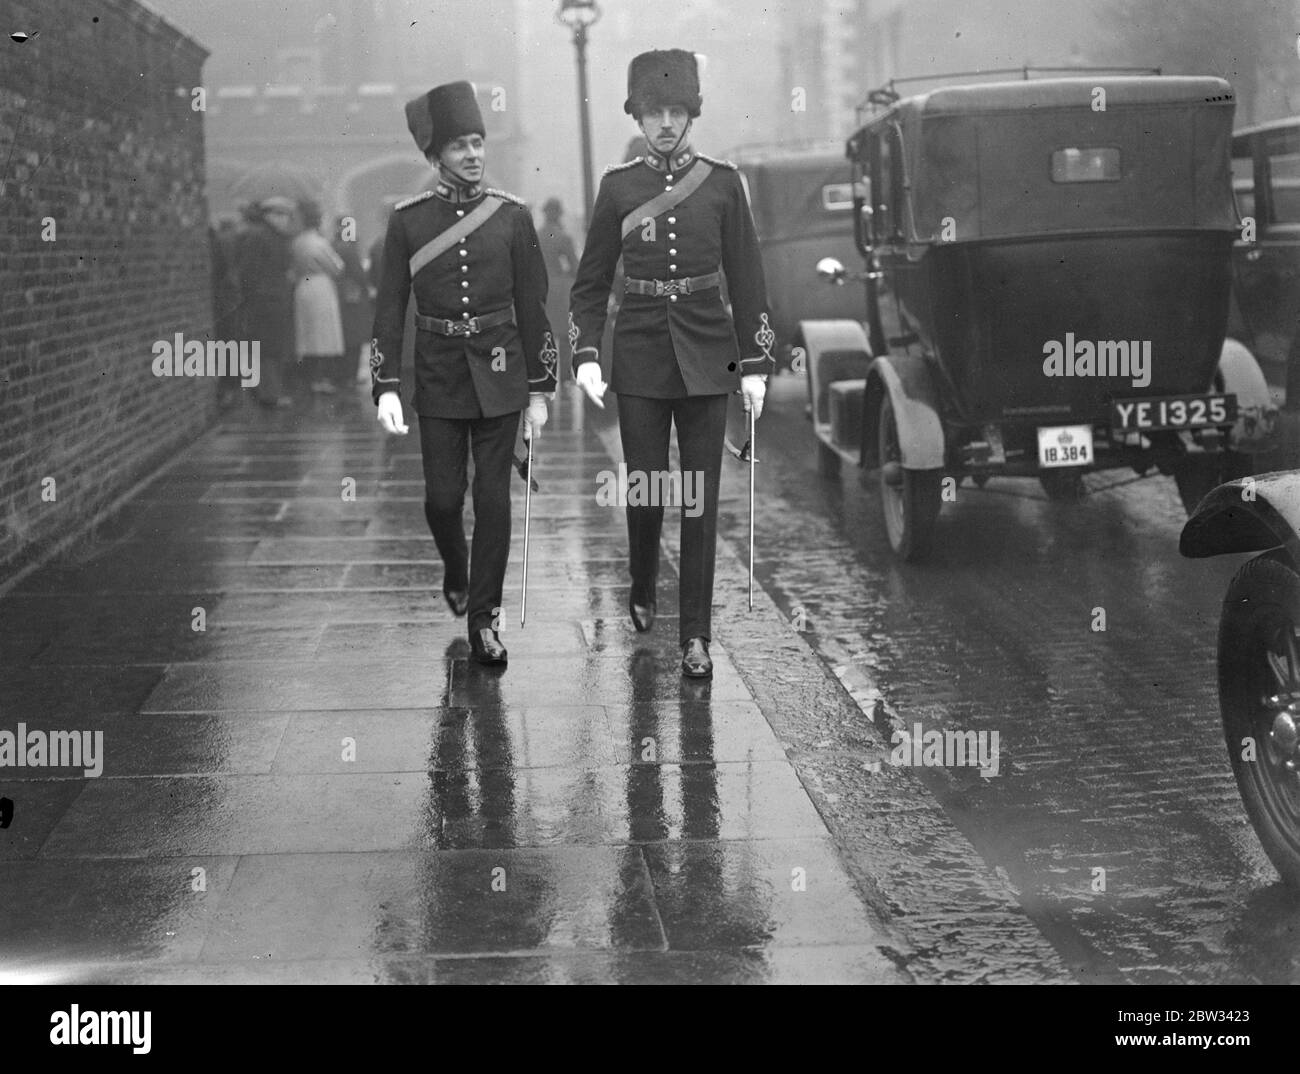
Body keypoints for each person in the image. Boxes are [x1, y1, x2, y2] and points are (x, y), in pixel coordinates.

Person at [568, 49, 775, 679]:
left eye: (675, 111)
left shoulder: (721, 183)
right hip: (639, 355)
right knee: (648, 490)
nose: (664, 123)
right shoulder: (618, 187)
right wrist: (583, 353)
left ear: (692, 115)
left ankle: (696, 637)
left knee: (702, 500)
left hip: (710, 356)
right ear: (636, 114)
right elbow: (590, 281)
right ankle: (640, 577)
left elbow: (747, 276)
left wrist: (757, 363)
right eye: (653, 111)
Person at [370, 80, 558, 666]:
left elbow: (534, 305)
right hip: (440, 375)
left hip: (502, 373)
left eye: (478, 142)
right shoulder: (408, 222)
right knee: (444, 500)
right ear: (435, 156)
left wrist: (540, 390)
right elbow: (389, 306)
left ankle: (484, 619)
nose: (473, 154)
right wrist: (386, 386)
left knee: (493, 499)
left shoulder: (513, 217)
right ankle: (455, 563)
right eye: (458, 146)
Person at [234, 197, 297, 408]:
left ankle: (269, 392)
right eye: (280, 215)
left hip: (274, 300)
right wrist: (256, 296)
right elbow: (248, 272)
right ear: (269, 216)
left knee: (272, 347)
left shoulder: (275, 237)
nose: (284, 220)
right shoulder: (261, 237)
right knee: (267, 348)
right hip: (265, 302)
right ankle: (269, 394)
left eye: (286, 216)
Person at [291, 199, 346, 394]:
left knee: (306, 333)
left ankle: (309, 377)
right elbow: (338, 267)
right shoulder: (320, 242)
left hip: (302, 287)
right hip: (320, 287)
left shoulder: (296, 242)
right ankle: (322, 378)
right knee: (324, 333)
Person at [333, 213, 373, 388]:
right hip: (353, 297)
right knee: (354, 337)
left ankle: (341, 375)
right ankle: (351, 376)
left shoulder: (334, 245)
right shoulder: (348, 248)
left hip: (340, 295)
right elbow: (359, 274)